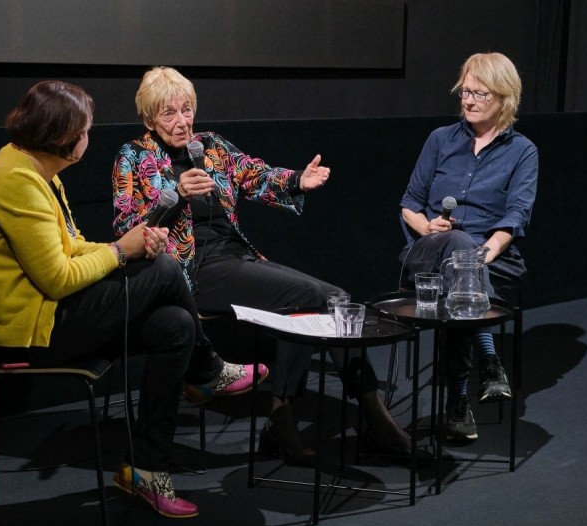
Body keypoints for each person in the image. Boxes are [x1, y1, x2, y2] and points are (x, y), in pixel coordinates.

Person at [0, 80, 267, 519]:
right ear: (63, 139)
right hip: (22, 332)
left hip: (44, 311)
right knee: (163, 267)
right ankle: (208, 369)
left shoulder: (33, 170)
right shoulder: (17, 182)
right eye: (84, 130)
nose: (88, 137)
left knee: (175, 325)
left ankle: (145, 468)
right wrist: (122, 250)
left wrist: (126, 245)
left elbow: (71, 245)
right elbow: (60, 278)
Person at [112, 66, 412, 466]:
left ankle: (329, 416)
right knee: (316, 297)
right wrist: (175, 194)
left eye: (187, 110)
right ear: (149, 119)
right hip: (188, 271)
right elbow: (127, 227)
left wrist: (296, 181)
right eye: (169, 114)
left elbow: (254, 174)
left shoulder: (211, 146)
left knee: (333, 298)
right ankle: (311, 422)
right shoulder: (133, 156)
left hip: (234, 257)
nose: (182, 122)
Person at [398, 52, 538, 441]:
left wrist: (481, 257)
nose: (469, 100)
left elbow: (516, 216)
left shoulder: (523, 151)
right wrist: (426, 226)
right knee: (457, 248)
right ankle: (490, 362)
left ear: (504, 98)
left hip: (493, 258)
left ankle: (457, 402)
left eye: (480, 94)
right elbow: (408, 202)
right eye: (465, 92)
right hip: (428, 252)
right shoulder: (440, 140)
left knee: (459, 275)